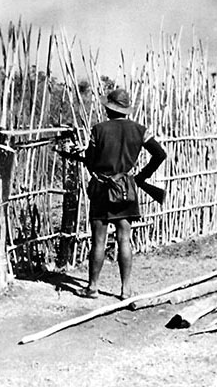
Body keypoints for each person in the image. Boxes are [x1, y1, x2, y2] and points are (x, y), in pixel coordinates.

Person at [59, 88, 167, 300]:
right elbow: (160, 154)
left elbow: (90, 161)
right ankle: (125, 290)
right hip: (126, 188)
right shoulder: (140, 130)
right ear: (125, 110)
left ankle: (92, 288)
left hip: (101, 189)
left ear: (109, 108)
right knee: (124, 239)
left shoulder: (99, 129)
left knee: (98, 241)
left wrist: (82, 156)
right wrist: (141, 177)